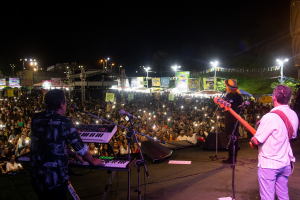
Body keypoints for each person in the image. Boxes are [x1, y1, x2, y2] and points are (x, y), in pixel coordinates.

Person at [30, 89, 104, 200]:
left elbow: (49, 145)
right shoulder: (64, 121)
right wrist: (92, 161)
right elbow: (79, 147)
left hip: (37, 176)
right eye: (66, 101)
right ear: (61, 104)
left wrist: (73, 155)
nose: (67, 103)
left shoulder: (36, 118)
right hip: (55, 178)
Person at [251, 85, 298, 200]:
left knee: (268, 197)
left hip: (269, 164)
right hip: (285, 162)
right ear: (289, 98)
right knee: (283, 195)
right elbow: (293, 135)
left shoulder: (269, 117)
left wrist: (252, 140)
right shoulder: (294, 115)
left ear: (274, 98)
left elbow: (256, 141)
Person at [222, 79, 243, 164]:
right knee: (235, 137)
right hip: (237, 119)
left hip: (230, 119)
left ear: (228, 87)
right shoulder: (239, 95)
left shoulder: (229, 96)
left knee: (230, 137)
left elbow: (225, 108)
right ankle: (234, 156)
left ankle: (231, 158)